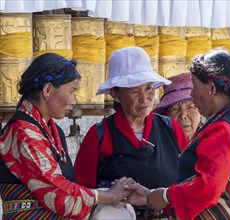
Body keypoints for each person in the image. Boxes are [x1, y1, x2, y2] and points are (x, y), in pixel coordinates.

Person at [125, 49, 230, 220]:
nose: (192, 94)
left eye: (194, 86)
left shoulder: (224, 129)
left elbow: (208, 187)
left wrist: (166, 196)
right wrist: (151, 196)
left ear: (211, 88)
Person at [0, 53, 134, 219]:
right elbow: (57, 193)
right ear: (47, 90)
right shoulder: (23, 132)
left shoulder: (53, 131)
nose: (74, 101)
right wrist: (110, 196)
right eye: (71, 91)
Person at [74, 47, 189, 218]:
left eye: (149, 88)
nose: (145, 99)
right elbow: (82, 192)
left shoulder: (170, 128)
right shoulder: (99, 135)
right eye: (135, 91)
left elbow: (189, 180)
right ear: (115, 93)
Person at [153, 72, 203, 142]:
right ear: (166, 115)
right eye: (175, 108)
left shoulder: (212, 141)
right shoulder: (159, 144)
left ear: (201, 113)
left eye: (190, 107)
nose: (183, 115)